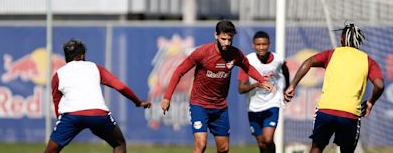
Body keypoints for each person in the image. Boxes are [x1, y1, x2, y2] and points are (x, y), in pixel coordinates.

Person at [160, 20, 275, 153]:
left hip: (220, 108)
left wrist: (262, 80)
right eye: (223, 39)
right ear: (216, 36)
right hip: (199, 105)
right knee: (201, 144)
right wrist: (167, 97)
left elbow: (248, 67)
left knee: (224, 148)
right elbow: (179, 71)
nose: (226, 43)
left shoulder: (235, 54)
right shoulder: (202, 53)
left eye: (229, 39)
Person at [284, 23, 385, 153]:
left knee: (316, 148)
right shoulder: (368, 61)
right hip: (350, 113)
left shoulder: (331, 54)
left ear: (341, 39)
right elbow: (380, 85)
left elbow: (308, 62)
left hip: (325, 110)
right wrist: (370, 102)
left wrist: (292, 85)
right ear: (359, 41)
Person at [44, 39, 151, 153]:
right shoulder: (95, 68)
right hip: (98, 114)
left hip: (71, 117)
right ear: (82, 55)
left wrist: (62, 125)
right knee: (119, 144)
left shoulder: (58, 75)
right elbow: (121, 87)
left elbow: (57, 102)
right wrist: (137, 101)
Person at [238, 31, 289, 153]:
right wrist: (257, 84)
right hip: (253, 106)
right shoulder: (247, 61)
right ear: (253, 45)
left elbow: (285, 70)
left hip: (272, 102)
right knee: (262, 143)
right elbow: (241, 89)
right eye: (258, 44)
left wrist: (287, 88)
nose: (261, 47)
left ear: (269, 44)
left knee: (268, 139)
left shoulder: (278, 60)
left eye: (264, 44)